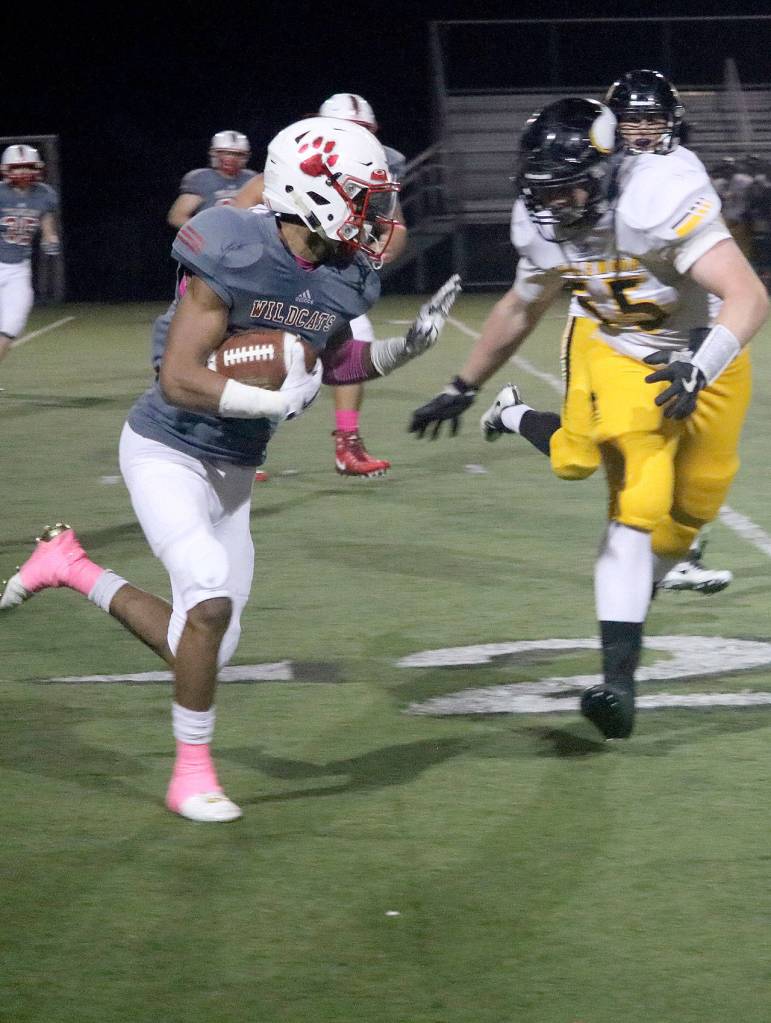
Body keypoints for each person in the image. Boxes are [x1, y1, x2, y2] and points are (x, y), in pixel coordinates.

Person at [1, 116, 461, 821]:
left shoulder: (341, 272)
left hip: (235, 469)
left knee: (207, 641)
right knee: (210, 599)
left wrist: (403, 350)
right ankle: (190, 774)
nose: (376, 216)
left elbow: (336, 358)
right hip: (167, 449)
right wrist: (270, 397)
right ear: (312, 192)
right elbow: (178, 378)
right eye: (362, 198)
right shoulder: (232, 245)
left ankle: (70, 566)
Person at [410, 97, 768, 741]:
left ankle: (635, 589)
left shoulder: (657, 195)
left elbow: (747, 296)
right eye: (541, 192)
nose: (554, 206)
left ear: (605, 173)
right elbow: (522, 308)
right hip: (619, 350)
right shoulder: (545, 223)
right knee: (636, 484)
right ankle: (618, 683)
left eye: (567, 188)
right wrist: (462, 385)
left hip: (705, 352)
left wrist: (700, 367)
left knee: (695, 507)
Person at [232, 93, 409, 478]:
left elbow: (395, 232)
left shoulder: (378, 174)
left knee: (353, 330)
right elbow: (231, 218)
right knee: (264, 355)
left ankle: (347, 441)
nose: (362, 142)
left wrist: (375, 250)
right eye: (352, 131)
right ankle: (236, 442)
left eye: (366, 132)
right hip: (273, 281)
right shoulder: (292, 170)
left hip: (329, 276)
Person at [0, 145, 60, 363]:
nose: (22, 172)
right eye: (17, 168)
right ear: (6, 170)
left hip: (18, 269)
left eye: (27, 167)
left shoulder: (44, 194)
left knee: (12, 323)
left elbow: (47, 225)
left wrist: (50, 240)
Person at [166, 130, 256, 228]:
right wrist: (205, 233)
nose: (231, 158)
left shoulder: (251, 178)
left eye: (238, 154)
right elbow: (177, 217)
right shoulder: (201, 178)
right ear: (214, 154)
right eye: (225, 153)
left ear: (246, 156)